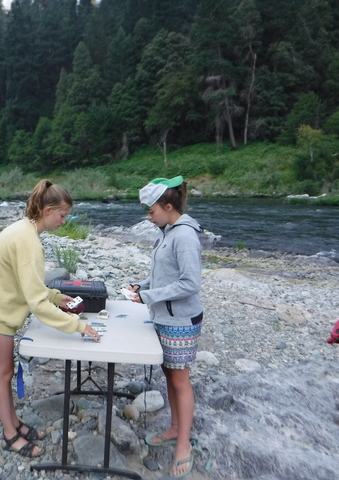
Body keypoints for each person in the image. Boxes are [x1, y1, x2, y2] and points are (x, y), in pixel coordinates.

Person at [0, 179, 100, 458]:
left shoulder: (24, 230)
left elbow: (29, 285)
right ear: (48, 210)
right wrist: (79, 326)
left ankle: (15, 423)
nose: (64, 221)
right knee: (3, 374)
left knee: (6, 371)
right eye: (62, 215)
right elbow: (37, 304)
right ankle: (10, 435)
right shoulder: (28, 241)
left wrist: (57, 297)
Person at [126, 176, 203, 478]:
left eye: (151, 211)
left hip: (180, 321)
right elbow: (163, 274)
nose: (148, 216)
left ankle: (183, 445)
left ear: (168, 207)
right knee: (170, 376)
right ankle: (173, 428)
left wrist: (149, 296)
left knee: (180, 380)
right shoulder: (167, 232)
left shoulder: (184, 236)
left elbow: (190, 283)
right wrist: (142, 286)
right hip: (165, 318)